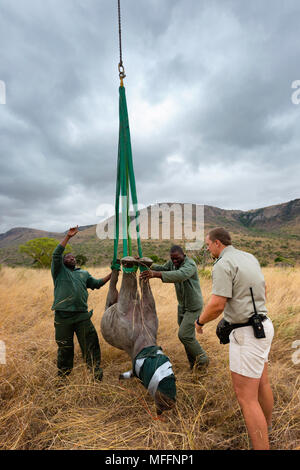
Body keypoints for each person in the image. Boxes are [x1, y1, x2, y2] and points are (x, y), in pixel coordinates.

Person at [195, 227, 274, 450]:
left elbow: (217, 304)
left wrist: (199, 322)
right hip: (264, 326)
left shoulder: (222, 264)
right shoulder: (249, 257)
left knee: (246, 398)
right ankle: (265, 430)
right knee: (262, 383)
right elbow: (264, 289)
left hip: (247, 334)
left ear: (218, 243)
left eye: (208, 244)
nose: (207, 248)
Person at [51, 226, 111, 381]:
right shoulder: (59, 271)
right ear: (63, 262)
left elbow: (97, 283)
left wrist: (113, 273)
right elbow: (56, 254)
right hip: (63, 317)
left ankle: (96, 376)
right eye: (68, 257)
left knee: (91, 345)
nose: (71, 258)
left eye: (73, 257)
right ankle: (63, 378)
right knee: (65, 348)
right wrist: (68, 237)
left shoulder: (83, 273)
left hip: (82, 316)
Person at [140, 245, 209, 371]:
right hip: (182, 306)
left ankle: (203, 359)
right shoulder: (172, 263)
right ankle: (194, 364)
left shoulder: (190, 265)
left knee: (184, 335)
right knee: (188, 337)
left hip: (193, 306)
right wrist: (146, 264)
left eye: (177, 258)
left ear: (183, 255)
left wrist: (155, 274)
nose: (174, 261)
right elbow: (163, 268)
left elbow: (180, 275)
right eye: (172, 259)